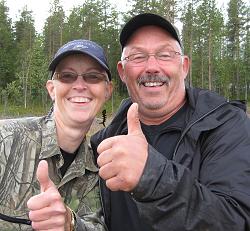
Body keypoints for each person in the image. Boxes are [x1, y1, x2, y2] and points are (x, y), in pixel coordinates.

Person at [91, 13, 250, 231]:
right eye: (137, 57)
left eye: (165, 55)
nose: (152, 67)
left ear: (184, 66)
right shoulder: (105, 141)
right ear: (122, 72)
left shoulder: (227, 126)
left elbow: (236, 220)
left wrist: (151, 175)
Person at [0, 39, 113, 230]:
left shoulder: (100, 170)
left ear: (107, 91)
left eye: (93, 76)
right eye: (67, 76)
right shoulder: (5, 140)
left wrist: (70, 223)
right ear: (52, 89)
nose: (79, 85)